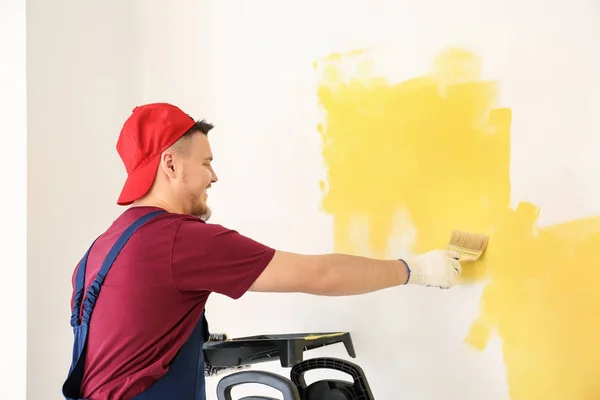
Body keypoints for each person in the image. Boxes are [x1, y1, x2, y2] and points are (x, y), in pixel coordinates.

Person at [61, 103, 462, 400]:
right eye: (205, 162)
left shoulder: (101, 249)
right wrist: (417, 269)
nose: (213, 176)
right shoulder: (179, 239)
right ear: (170, 164)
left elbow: (130, 345)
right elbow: (320, 275)